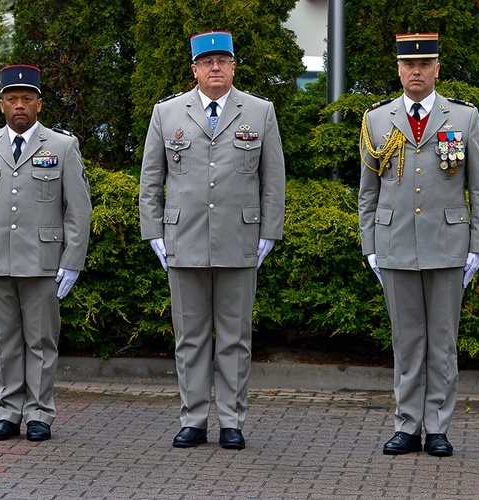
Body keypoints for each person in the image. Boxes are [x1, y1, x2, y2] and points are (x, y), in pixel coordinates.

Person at [139, 31, 286, 450]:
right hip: (182, 240)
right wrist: (154, 232)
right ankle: (194, 419)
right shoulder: (167, 113)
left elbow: (272, 179)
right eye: (207, 62)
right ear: (194, 69)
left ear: (234, 66)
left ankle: (232, 421)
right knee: (190, 337)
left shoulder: (259, 111)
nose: (215, 68)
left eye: (223, 60)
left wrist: (268, 232)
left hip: (240, 240)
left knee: (236, 337)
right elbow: (151, 180)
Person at [358, 33, 479, 457]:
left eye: (424, 64)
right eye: (408, 66)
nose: (416, 72)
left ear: (437, 68)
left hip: (448, 244)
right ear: (398, 70)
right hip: (395, 243)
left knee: (442, 342)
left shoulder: (464, 118)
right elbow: (367, 192)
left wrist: (478, 245)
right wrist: (370, 244)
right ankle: (406, 425)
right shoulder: (378, 120)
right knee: (407, 342)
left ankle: (437, 427)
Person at [0, 64, 92, 442]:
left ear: (39, 104)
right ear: (1, 105)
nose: (20, 105)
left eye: (27, 99)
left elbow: (78, 210)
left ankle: (39, 413)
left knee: (41, 340)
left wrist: (71, 262)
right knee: (3, 340)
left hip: (43, 262)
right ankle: (6, 412)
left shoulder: (63, 146)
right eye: (13, 99)